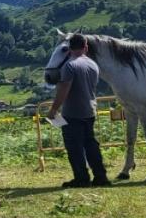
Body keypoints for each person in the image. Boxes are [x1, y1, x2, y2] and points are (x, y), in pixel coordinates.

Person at [47, 33, 111, 188]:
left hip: (73, 112)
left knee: (74, 147)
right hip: (90, 110)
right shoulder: (93, 65)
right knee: (91, 144)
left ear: (70, 48)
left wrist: (54, 109)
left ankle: (81, 178)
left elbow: (64, 89)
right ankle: (100, 176)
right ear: (86, 47)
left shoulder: (70, 66)